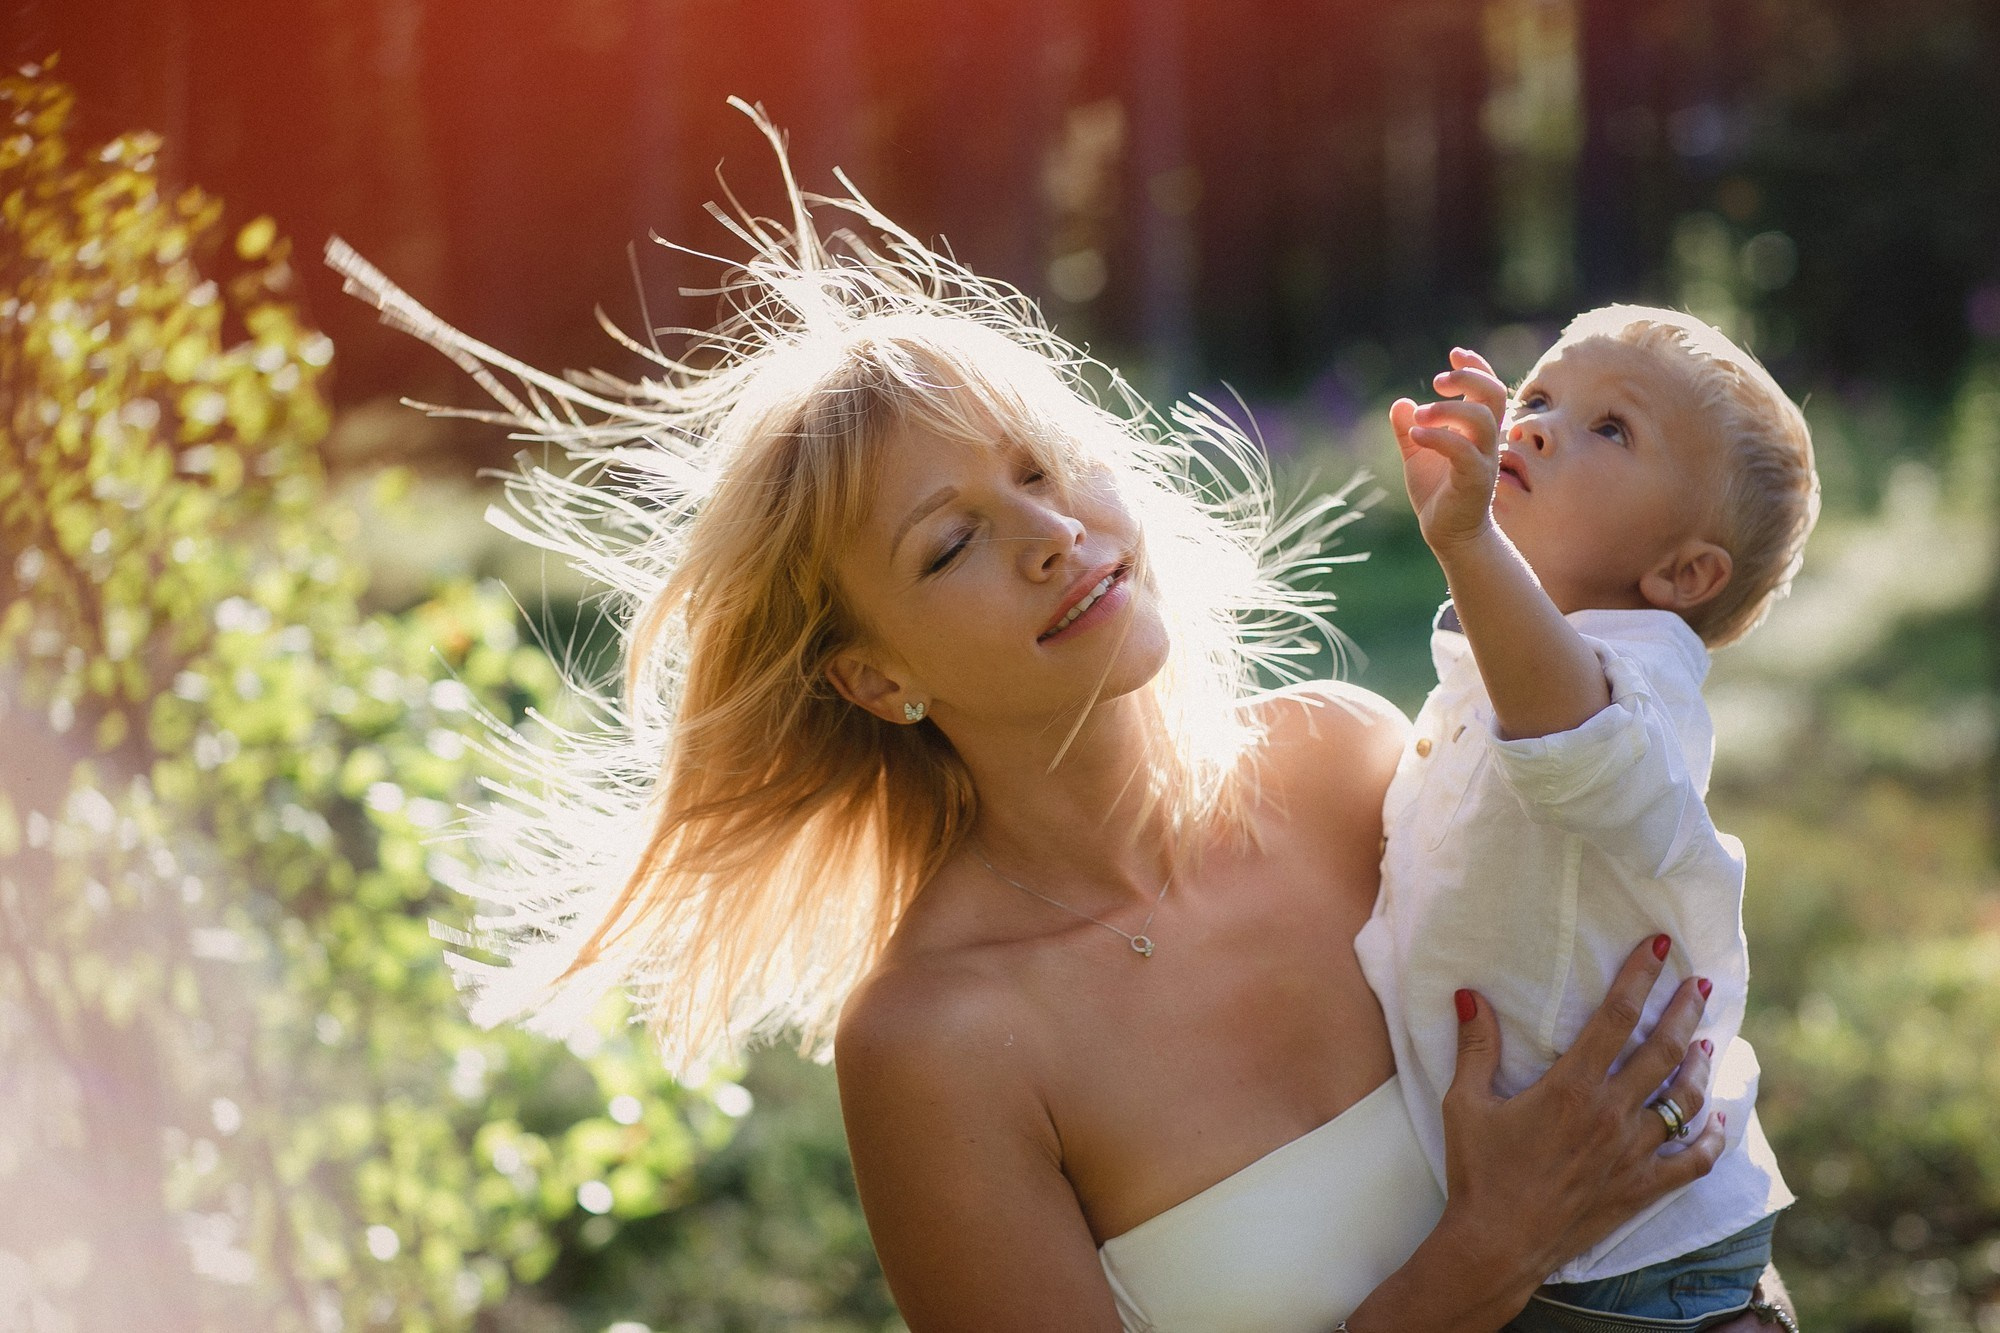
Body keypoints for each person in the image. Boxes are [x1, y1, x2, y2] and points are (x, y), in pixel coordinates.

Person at [327, 105, 1793, 1331]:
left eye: (1042, 466)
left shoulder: (1350, 764)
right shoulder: (937, 1045)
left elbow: (1627, 928)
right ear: (874, 676)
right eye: (948, 544)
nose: (1049, 534)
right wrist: (1487, 1251)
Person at [1363, 312, 1816, 1329]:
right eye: (1536, 399)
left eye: (1610, 428)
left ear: (1680, 576)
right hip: (1555, 1232)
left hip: (1642, 1258)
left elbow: (1573, 743)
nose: (1532, 428)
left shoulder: (1637, 677)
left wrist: (1470, 541)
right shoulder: (1491, 674)